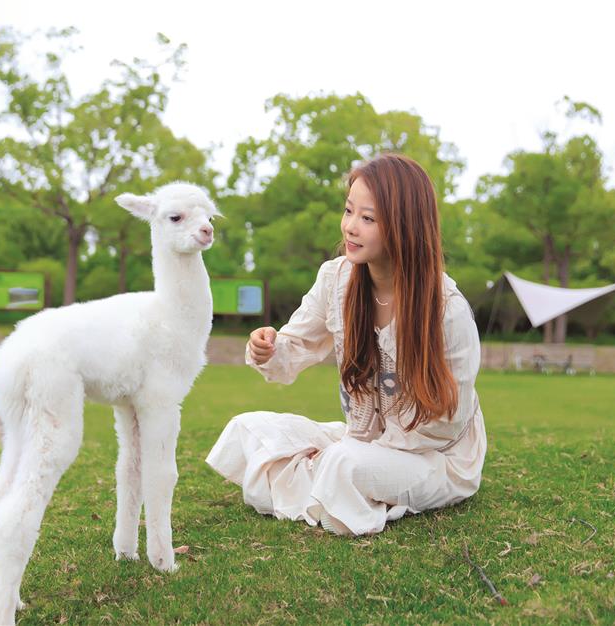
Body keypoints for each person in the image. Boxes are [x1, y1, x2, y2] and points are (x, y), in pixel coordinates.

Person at [206, 153, 487, 536]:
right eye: (348, 211)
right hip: (361, 439)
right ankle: (333, 487)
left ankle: (326, 483)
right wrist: (269, 348)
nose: (351, 227)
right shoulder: (336, 279)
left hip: (433, 457)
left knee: (342, 463)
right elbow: (295, 345)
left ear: (404, 226)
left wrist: (364, 450)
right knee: (248, 429)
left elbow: (447, 423)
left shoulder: (446, 310)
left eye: (368, 218)